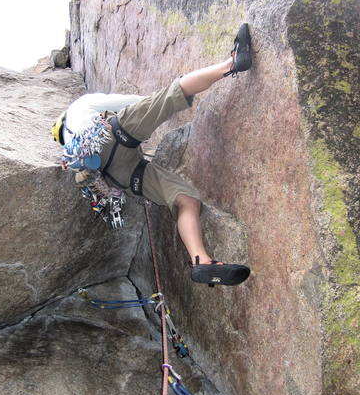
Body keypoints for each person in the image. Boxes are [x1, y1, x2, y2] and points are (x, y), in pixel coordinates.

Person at [53, 24, 252, 286]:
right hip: (109, 137)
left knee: (185, 201)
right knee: (173, 92)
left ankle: (201, 260)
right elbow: (135, 101)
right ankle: (232, 62)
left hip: (117, 174)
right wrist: (160, 102)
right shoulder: (80, 105)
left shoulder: (71, 148)